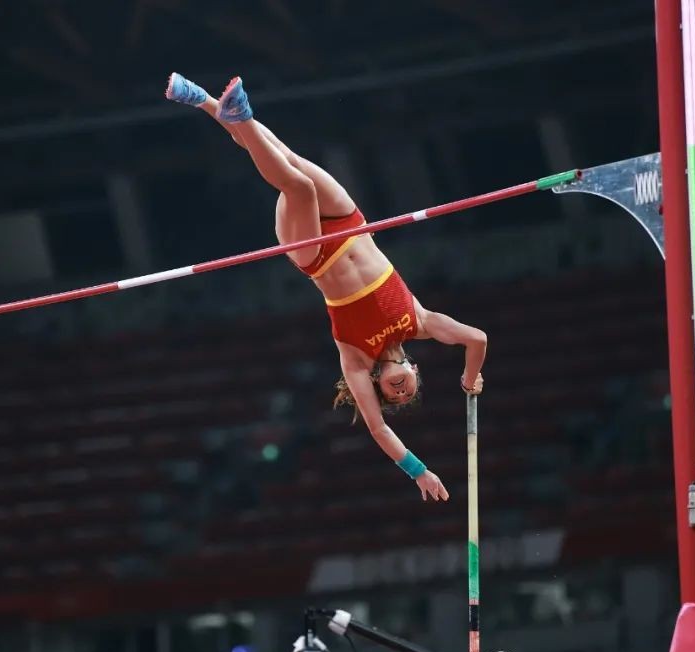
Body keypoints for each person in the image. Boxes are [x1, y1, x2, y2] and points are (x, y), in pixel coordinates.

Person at [166, 74, 488, 502]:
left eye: (392, 396)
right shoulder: (421, 322)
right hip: (350, 226)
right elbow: (477, 338)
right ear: (415, 370)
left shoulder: (355, 359)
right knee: (288, 158)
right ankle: (205, 100)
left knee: (296, 184)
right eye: (409, 389)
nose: (400, 393)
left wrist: (419, 471)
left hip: (315, 255)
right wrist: (469, 378)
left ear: (376, 385)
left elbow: (378, 428)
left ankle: (237, 114)